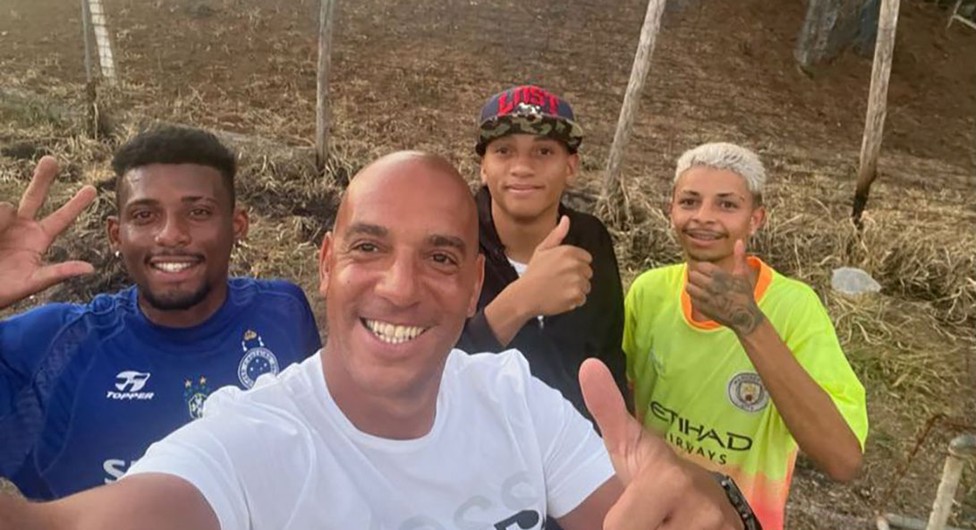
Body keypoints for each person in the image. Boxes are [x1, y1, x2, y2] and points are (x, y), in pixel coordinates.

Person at [0, 151, 757, 530]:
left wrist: (706, 505)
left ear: (474, 286)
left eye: (440, 257)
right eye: (369, 248)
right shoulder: (249, 444)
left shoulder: (515, 400)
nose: (399, 286)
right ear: (326, 264)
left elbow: (643, 516)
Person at [0, 126, 321, 500]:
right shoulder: (53, 348)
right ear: (116, 234)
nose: (170, 234)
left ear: (237, 226)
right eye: (144, 215)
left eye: (198, 212)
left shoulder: (284, 312)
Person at [622, 142, 868, 530]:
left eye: (726, 205)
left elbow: (842, 459)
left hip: (739, 521)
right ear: (671, 210)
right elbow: (624, 405)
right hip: (649, 513)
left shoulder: (793, 308)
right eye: (689, 201)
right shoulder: (649, 292)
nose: (703, 217)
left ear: (756, 219)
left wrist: (748, 322)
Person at [457, 85, 627, 421]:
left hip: (576, 446)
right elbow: (425, 372)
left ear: (571, 167)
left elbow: (608, 358)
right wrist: (519, 302)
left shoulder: (591, 240)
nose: (522, 167)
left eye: (544, 151)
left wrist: (619, 435)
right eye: (504, 151)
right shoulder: (452, 242)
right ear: (483, 167)